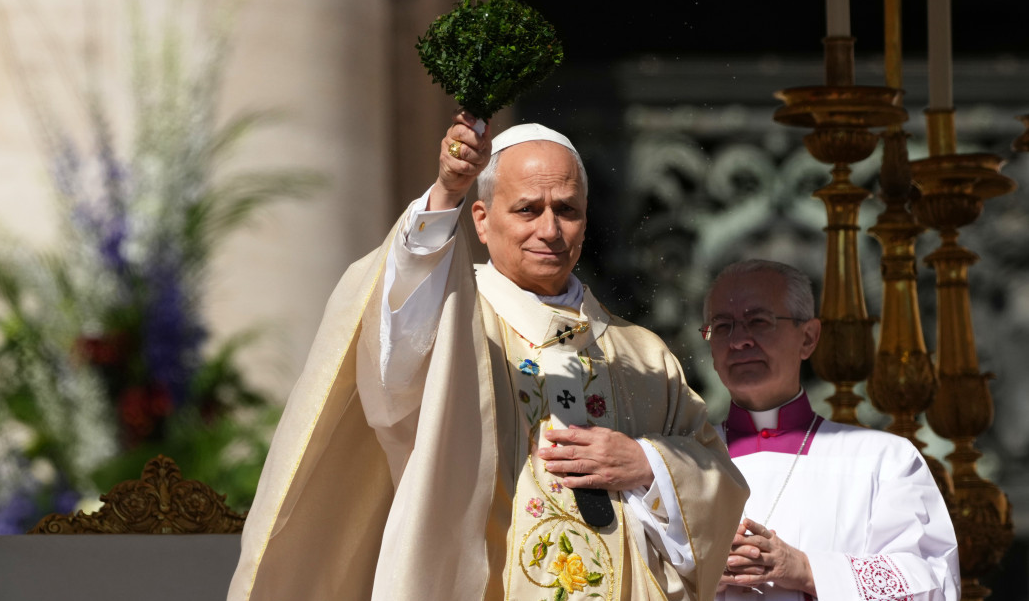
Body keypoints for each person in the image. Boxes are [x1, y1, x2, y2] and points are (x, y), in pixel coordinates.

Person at [227, 112, 748, 601]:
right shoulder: (454, 322)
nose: (550, 229)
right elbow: (397, 338)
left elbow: (719, 483)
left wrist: (647, 464)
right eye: (528, 209)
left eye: (567, 210)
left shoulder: (642, 354)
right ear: (480, 219)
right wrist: (446, 192)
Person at [703, 259, 959, 601]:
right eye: (722, 327)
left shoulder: (885, 459)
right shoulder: (678, 463)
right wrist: (698, 574)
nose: (738, 341)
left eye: (758, 322)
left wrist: (807, 570)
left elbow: (934, 583)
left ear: (808, 337)